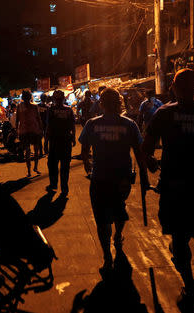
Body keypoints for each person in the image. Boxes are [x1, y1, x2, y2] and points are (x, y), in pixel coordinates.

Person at [142, 69, 194, 296]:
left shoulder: (164, 113)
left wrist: (150, 162)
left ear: (173, 88)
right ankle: (182, 258)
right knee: (184, 233)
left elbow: (146, 147)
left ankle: (188, 282)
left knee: (178, 234)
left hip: (173, 183)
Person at [79, 88, 148, 276]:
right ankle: (117, 235)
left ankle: (107, 257)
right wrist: (144, 174)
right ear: (119, 103)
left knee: (102, 219)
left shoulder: (92, 124)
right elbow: (139, 151)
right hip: (122, 179)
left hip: (100, 178)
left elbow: (84, 148)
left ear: (101, 104)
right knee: (119, 208)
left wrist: (87, 161)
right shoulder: (129, 124)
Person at [45, 90, 76, 196]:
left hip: (54, 141)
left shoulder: (51, 110)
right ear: (63, 99)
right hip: (66, 140)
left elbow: (48, 127)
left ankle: (53, 184)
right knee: (65, 165)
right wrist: (74, 138)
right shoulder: (68, 110)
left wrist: (45, 142)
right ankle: (64, 187)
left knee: (52, 164)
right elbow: (73, 125)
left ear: (54, 99)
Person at [15, 90, 43, 177]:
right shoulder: (31, 106)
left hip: (27, 131)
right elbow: (38, 119)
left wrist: (17, 131)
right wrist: (41, 130)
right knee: (34, 150)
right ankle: (33, 169)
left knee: (29, 151)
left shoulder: (21, 106)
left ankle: (31, 170)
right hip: (31, 131)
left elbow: (17, 120)